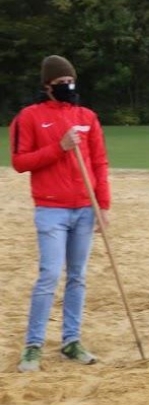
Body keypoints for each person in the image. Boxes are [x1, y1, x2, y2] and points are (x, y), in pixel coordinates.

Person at [10, 55, 111, 372]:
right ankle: (33, 345)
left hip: (84, 208)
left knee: (78, 276)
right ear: (47, 86)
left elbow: (99, 163)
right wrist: (60, 147)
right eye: (61, 83)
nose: (68, 87)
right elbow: (20, 162)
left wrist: (103, 206)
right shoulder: (29, 117)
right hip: (51, 209)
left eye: (71, 81)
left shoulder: (87, 116)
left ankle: (71, 340)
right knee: (50, 275)